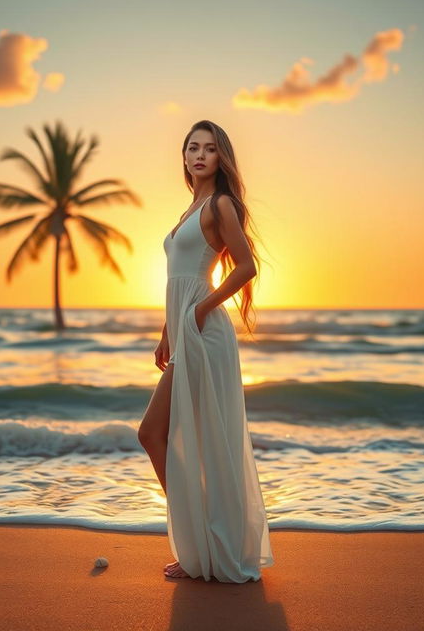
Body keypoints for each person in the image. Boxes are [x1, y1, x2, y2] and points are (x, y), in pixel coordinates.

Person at [138, 120, 274, 582]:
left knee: (156, 434)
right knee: (179, 439)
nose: (199, 155)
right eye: (192, 148)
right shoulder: (189, 208)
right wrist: (166, 331)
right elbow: (179, 279)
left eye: (209, 149)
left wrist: (198, 312)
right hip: (183, 333)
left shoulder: (219, 206)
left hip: (205, 334)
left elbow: (245, 268)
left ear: (222, 157)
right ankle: (197, 547)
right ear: (183, 157)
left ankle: (203, 547)